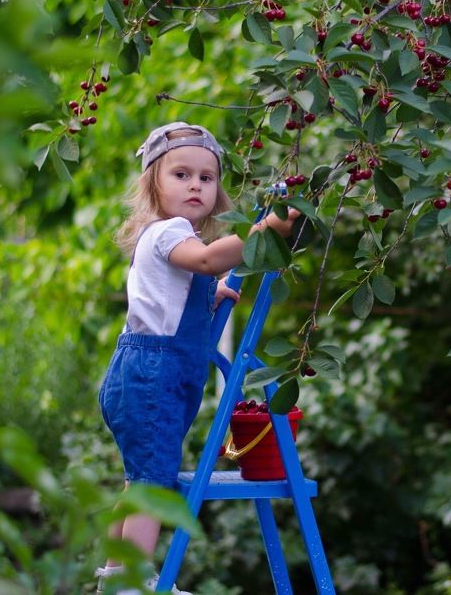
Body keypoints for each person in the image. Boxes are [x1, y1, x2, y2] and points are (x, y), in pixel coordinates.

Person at [94, 122, 299, 594]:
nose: (195, 185)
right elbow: (206, 261)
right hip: (153, 374)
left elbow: (183, 289)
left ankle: (114, 577)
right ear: (153, 184)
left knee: (138, 479)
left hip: (152, 373)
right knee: (152, 483)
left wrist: (212, 294)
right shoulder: (169, 232)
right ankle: (133, 583)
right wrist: (262, 233)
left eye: (206, 178)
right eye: (181, 175)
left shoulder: (173, 240)